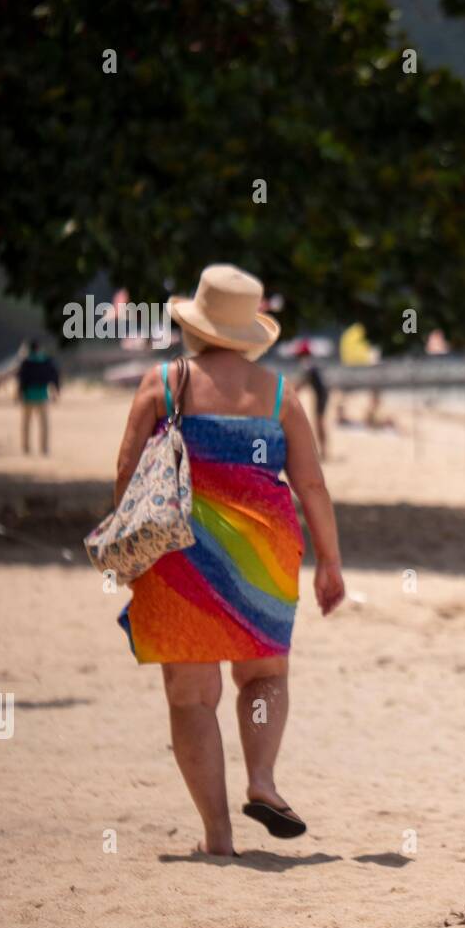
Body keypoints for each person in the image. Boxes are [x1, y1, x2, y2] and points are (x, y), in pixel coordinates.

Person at [113, 264, 346, 857]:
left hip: (177, 554)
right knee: (263, 676)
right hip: (261, 554)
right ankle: (262, 780)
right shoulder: (277, 394)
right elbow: (312, 486)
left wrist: (130, 546)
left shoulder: (162, 383)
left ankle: (218, 835)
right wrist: (330, 563)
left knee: (192, 699)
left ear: (195, 321)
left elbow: (127, 473)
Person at [17, 339, 60, 455]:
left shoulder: (26, 362)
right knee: (44, 425)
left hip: (28, 396)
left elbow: (21, 379)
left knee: (26, 425)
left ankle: (26, 448)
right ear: (39, 348)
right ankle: (44, 448)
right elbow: (54, 376)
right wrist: (56, 392)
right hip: (42, 395)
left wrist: (18, 394)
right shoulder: (46, 361)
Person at [294, 347, 329, 457]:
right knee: (319, 422)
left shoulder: (307, 364)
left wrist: (292, 391)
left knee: (319, 422)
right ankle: (323, 450)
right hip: (322, 394)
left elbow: (302, 382)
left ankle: (324, 451)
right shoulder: (312, 363)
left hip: (321, 395)